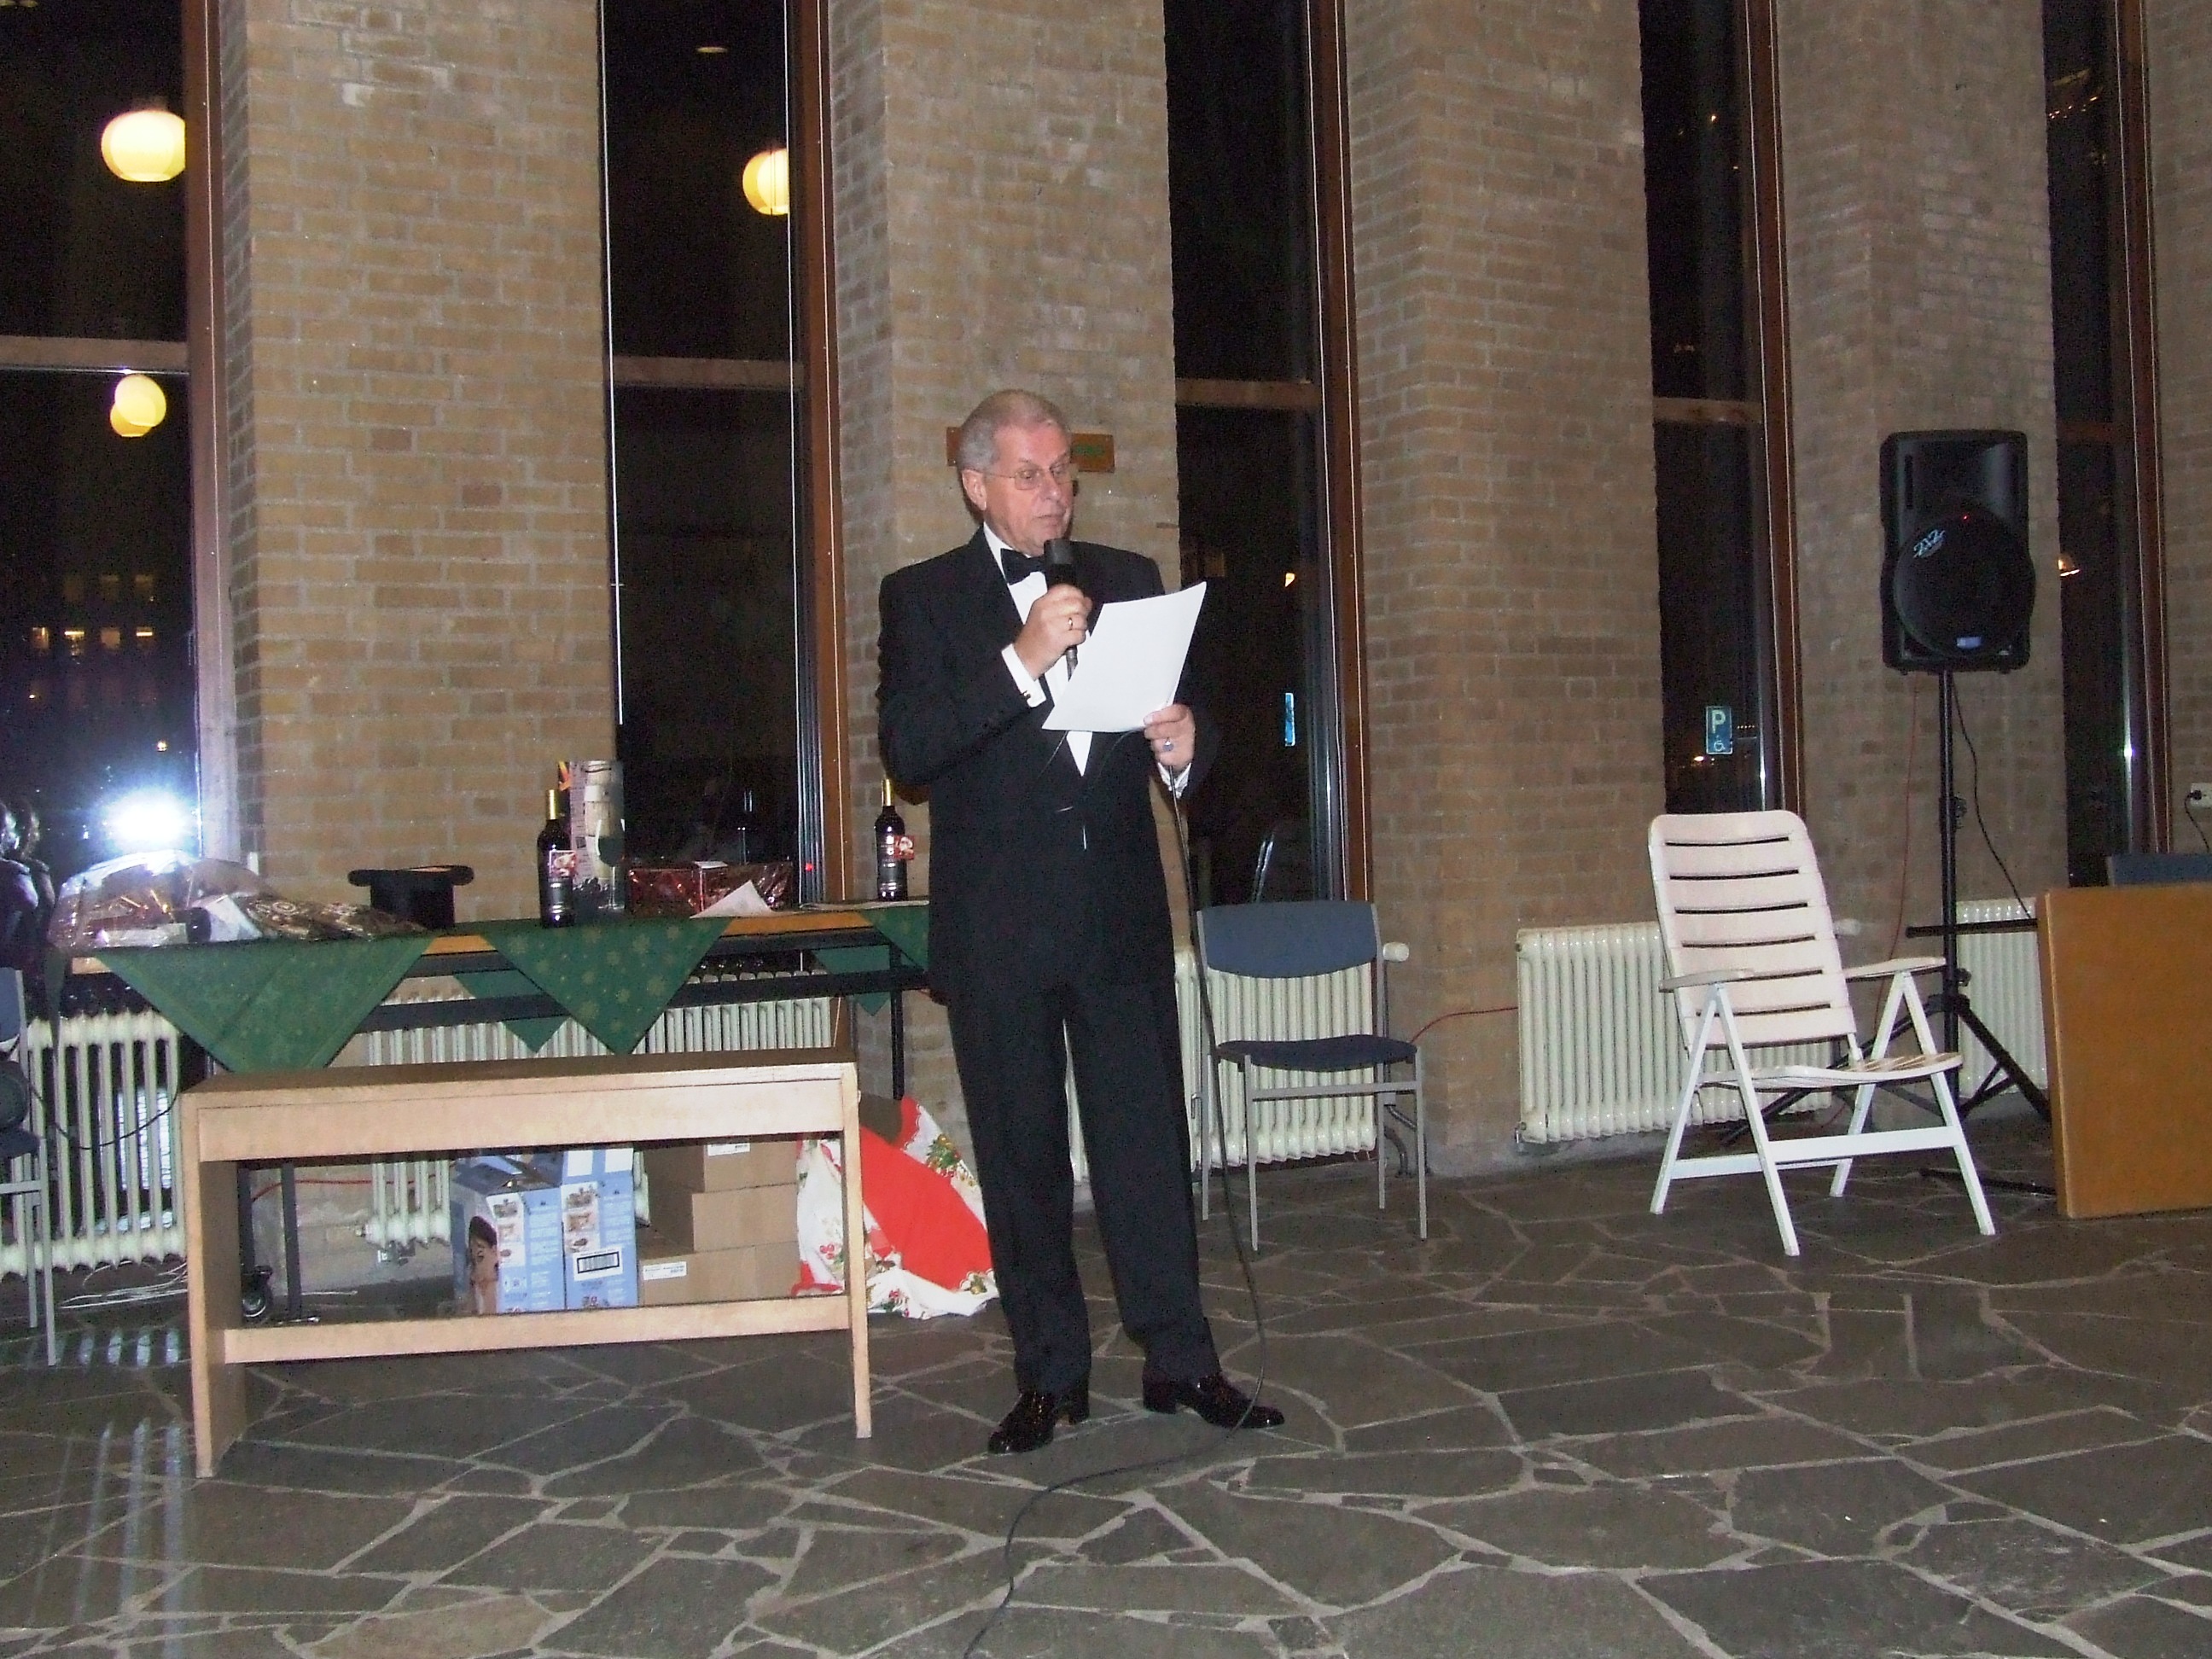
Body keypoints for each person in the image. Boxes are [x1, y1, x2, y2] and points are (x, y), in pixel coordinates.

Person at [877, 388, 1284, 1455]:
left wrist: (1186, 746)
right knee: (1024, 1161)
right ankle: (1050, 1376)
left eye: (1063, 472)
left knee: (1146, 1148)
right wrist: (1019, 658)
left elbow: (1189, 734)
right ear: (976, 485)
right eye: (1029, 474)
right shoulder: (924, 598)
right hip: (1000, 927)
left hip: (1116, 917)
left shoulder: (1129, 579)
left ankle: (1181, 1359)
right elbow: (911, 750)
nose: (1054, 492)